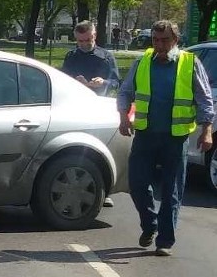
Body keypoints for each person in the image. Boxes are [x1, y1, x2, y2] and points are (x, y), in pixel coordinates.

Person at [117, 20, 213, 257]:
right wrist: (123, 116)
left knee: (172, 191)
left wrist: (207, 130)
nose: (159, 45)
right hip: (146, 135)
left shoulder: (190, 63)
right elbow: (126, 91)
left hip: (175, 138)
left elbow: (204, 98)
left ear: (175, 41)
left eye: (165, 40)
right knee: (137, 184)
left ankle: (165, 240)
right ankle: (150, 224)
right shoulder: (142, 62)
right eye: (156, 40)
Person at [62, 21, 121, 97]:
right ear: (76, 38)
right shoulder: (71, 56)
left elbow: (115, 83)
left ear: (95, 36)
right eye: (80, 41)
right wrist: (74, 81)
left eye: (88, 40)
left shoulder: (106, 57)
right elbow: (62, 80)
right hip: (75, 99)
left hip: (98, 100)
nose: (84, 44)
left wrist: (103, 82)